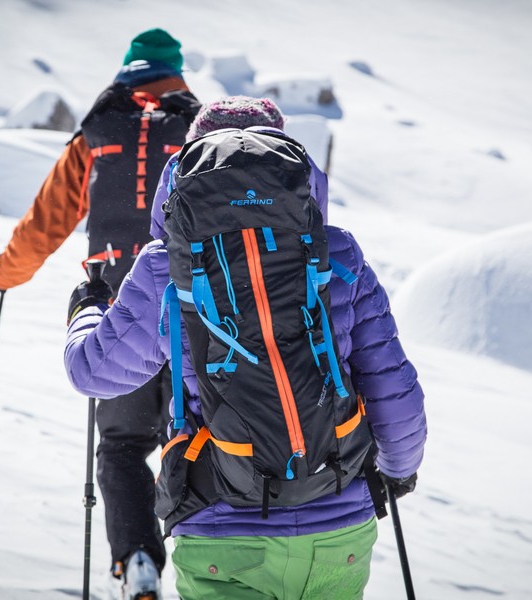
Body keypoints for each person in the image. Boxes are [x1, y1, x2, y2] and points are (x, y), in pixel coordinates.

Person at [64, 96, 427, 599]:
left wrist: (87, 309)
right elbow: (393, 390)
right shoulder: (338, 252)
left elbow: (92, 372)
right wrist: (397, 472)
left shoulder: (165, 264)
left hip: (222, 529)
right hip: (337, 525)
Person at [0, 28, 200, 599]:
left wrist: (3, 274)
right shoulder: (201, 133)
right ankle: (213, 565)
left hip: (120, 315)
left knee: (124, 445)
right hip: (198, 316)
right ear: (176, 73)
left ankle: (138, 563)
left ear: (127, 71)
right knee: (202, 438)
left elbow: (44, 225)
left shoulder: (97, 133)